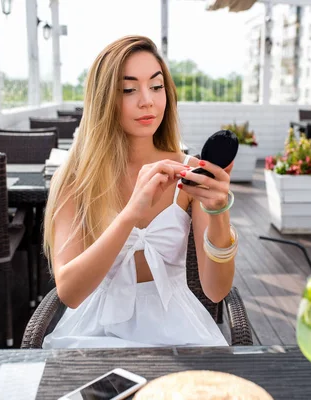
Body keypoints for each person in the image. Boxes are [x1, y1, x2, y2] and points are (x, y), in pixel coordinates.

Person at [41, 35, 238, 348]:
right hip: (95, 334)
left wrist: (218, 213)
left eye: (156, 86)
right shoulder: (75, 178)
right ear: (104, 99)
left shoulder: (189, 171)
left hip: (178, 333)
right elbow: (70, 292)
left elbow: (216, 290)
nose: (147, 100)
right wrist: (131, 214)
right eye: (128, 89)